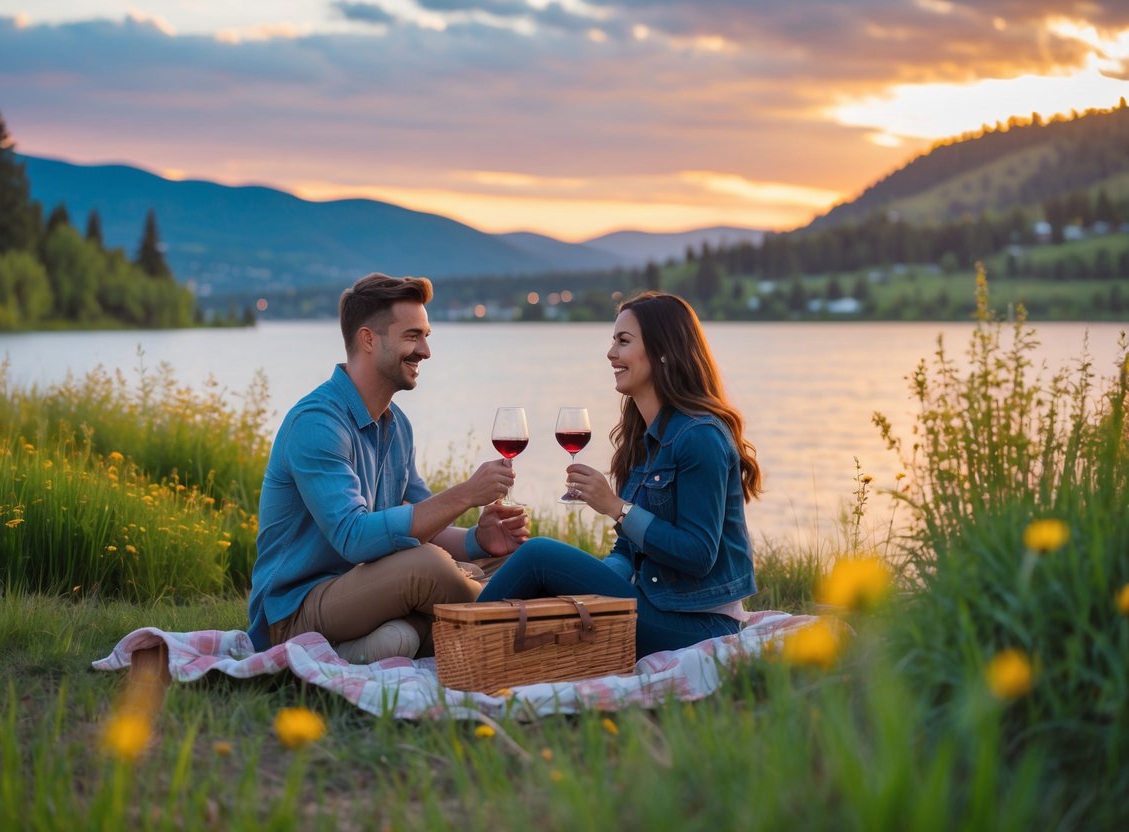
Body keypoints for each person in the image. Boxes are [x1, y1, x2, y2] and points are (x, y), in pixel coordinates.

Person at [247, 273, 529, 661]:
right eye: (413, 336)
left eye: (426, 336)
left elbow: (424, 528)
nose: (426, 351)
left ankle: (391, 640)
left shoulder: (396, 425)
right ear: (368, 339)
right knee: (428, 567)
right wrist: (466, 493)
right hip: (296, 611)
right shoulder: (317, 423)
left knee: (519, 558)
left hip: (369, 589)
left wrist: (479, 542)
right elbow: (354, 538)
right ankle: (528, 623)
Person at [477, 291, 761, 657]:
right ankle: (470, 644)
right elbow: (627, 550)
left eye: (623, 341)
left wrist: (616, 508)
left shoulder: (700, 437)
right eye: (613, 341)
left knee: (539, 555)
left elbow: (698, 553)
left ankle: (455, 641)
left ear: (662, 351)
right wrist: (587, 583)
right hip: (654, 604)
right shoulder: (645, 440)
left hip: (699, 624)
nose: (611, 353)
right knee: (551, 574)